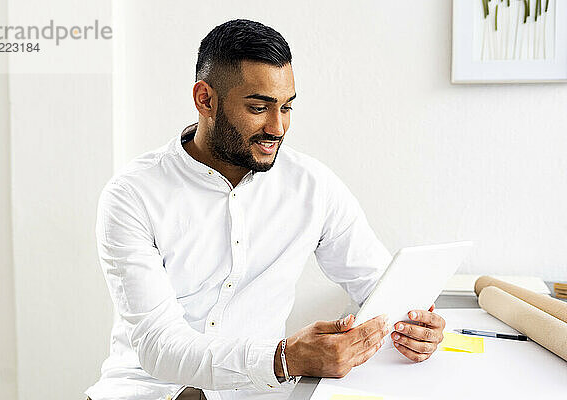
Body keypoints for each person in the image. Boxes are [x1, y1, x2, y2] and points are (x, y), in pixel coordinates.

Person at [85, 19, 445, 400]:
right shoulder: (132, 195)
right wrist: (284, 359)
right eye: (259, 107)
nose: (277, 127)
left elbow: (379, 285)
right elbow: (159, 345)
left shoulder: (313, 185)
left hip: (254, 394)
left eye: (286, 107)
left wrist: (418, 327)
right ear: (205, 99)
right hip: (145, 392)